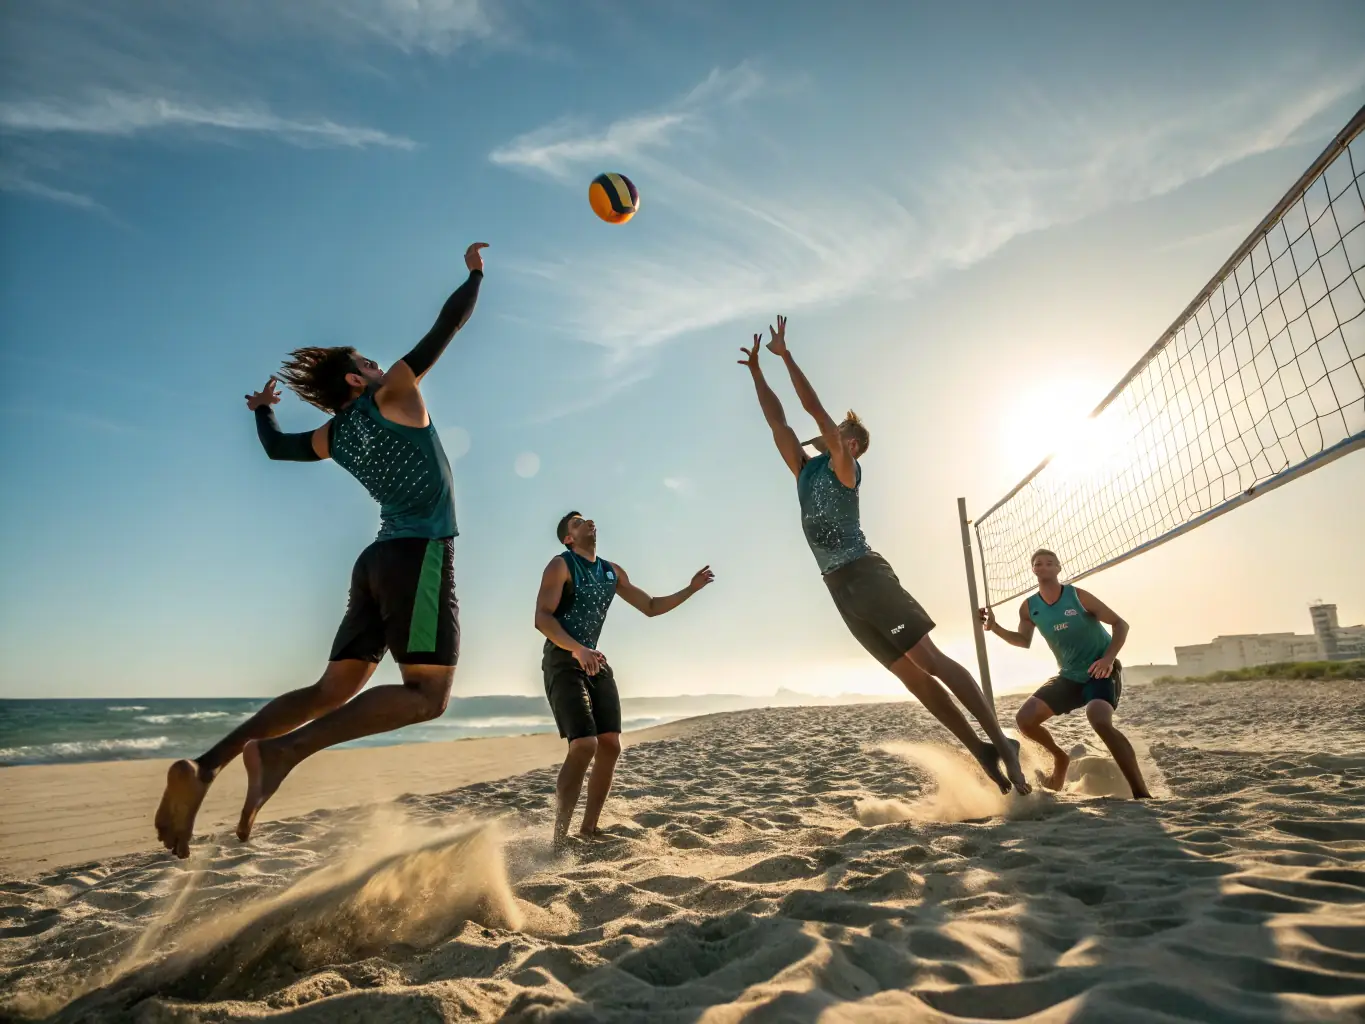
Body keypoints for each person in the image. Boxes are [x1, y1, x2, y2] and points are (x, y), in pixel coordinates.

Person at [154, 242, 489, 858]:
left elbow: (277, 451)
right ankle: (282, 752)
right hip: (418, 555)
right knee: (426, 696)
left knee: (328, 692)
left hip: (375, 563)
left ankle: (207, 767)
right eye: (369, 360)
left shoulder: (336, 434)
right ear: (358, 379)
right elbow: (449, 324)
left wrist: (261, 414)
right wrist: (474, 276)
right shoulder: (398, 395)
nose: (382, 362)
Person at [740, 316, 1030, 795]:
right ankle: (981, 752)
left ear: (849, 444)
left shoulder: (844, 467)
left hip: (868, 577)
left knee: (931, 659)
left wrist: (786, 356)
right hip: (840, 590)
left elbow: (812, 410)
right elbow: (779, 422)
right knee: (913, 678)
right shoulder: (803, 470)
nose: (825, 434)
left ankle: (1001, 739)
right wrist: (756, 373)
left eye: (835, 432)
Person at [535, 511, 714, 845]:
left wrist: (691, 589)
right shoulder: (560, 565)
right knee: (584, 744)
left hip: (593, 658)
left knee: (610, 744)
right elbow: (542, 618)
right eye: (577, 523)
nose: (587, 522)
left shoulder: (611, 572)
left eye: (586, 519)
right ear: (568, 539)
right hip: (563, 657)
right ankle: (558, 838)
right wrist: (577, 650)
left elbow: (649, 605)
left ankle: (588, 830)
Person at [981, 548, 1151, 798]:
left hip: (1099, 668)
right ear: (1034, 570)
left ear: (1058, 568)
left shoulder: (1077, 595)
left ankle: (1141, 793)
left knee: (1098, 719)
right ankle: (1060, 757)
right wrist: (994, 626)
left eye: (1050, 562)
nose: (1044, 566)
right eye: (1038, 563)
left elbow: (1120, 624)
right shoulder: (1029, 607)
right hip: (1069, 675)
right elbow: (1022, 640)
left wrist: (1108, 658)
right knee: (1025, 719)